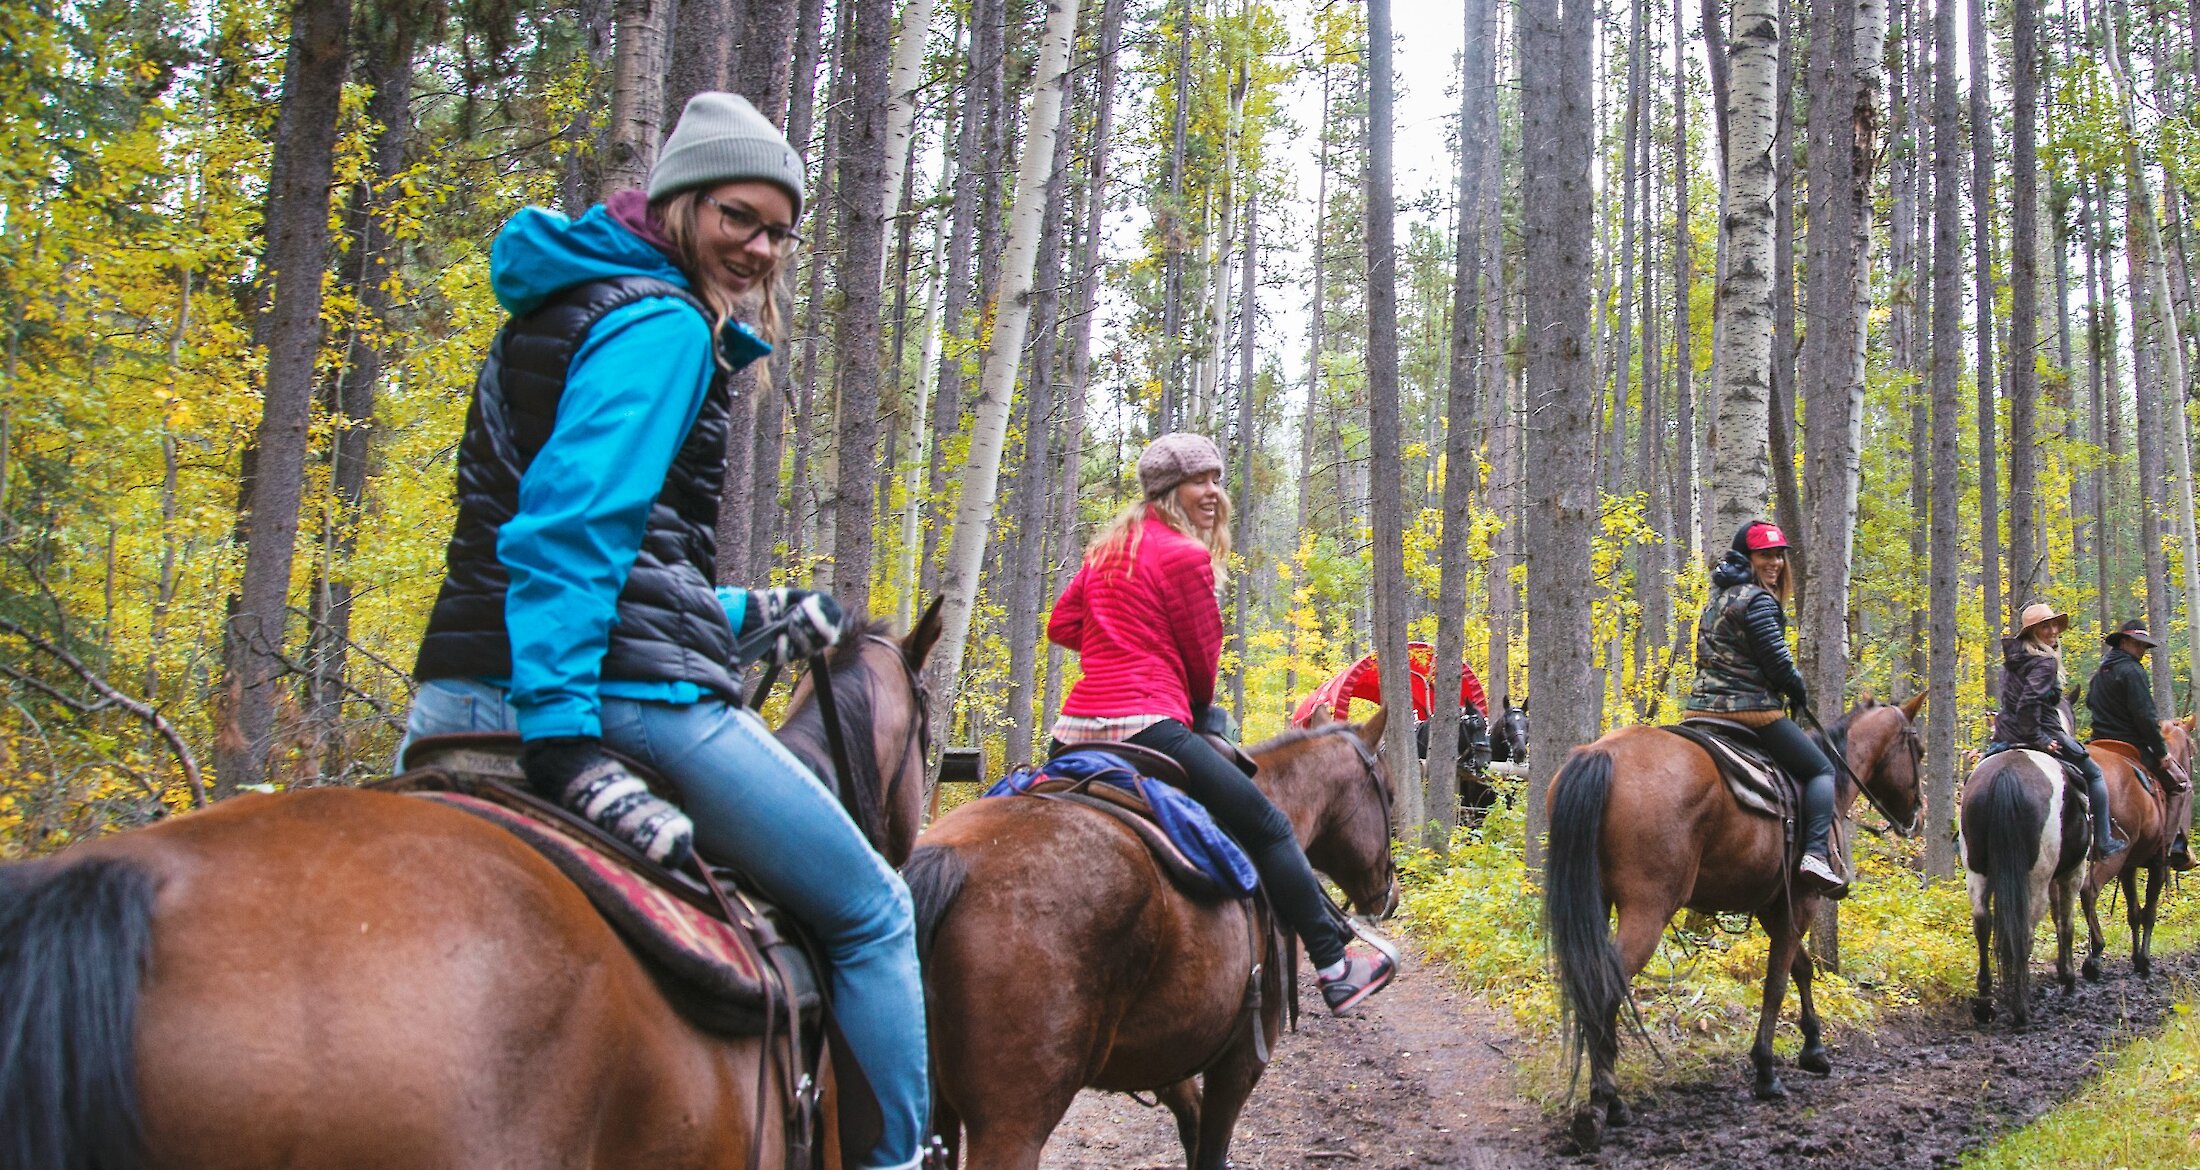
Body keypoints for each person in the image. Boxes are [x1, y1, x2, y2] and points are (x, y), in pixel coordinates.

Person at [397, 93, 930, 1170]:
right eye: (739, 215)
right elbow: (572, 530)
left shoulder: (565, 303)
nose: (760, 246)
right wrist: (560, 730)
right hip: (607, 703)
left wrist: (758, 613)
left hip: (460, 687)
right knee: (875, 912)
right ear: (682, 201)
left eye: (780, 230)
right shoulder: (662, 322)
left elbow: (611, 558)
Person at [1046, 432, 1397, 1016]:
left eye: (1216, 479)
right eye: (1198, 481)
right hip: (1150, 725)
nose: (1212, 492)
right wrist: (1167, 677)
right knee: (1267, 825)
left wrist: (1118, 640)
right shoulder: (1186, 556)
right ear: (1166, 491)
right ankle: (1335, 965)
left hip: (1073, 732)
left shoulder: (1109, 551)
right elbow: (1202, 663)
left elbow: (1062, 625)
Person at [1683, 521, 1847, 897]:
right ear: (1748, 556)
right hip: (1750, 711)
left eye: (1778, 555)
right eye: (1765, 555)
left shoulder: (1717, 599)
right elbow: (1777, 663)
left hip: (1700, 712)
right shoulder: (1757, 601)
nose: (1774, 562)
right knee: (1821, 768)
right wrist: (1797, 689)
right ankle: (1816, 856)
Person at [1995, 603, 2125, 861]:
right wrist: (2041, 740)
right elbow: (2028, 704)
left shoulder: (2012, 661)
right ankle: (2104, 840)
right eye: (2045, 626)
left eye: (2054, 625)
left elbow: (2013, 703)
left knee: (1976, 776)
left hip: (2005, 735)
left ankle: (1960, 838)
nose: (2053, 630)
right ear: (2032, 632)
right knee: (2095, 775)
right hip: (2039, 732)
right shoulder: (2044, 663)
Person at [2088, 618, 2190, 868]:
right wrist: (2161, 750)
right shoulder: (2132, 671)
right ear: (2124, 642)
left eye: (2145, 647)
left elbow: (2091, 703)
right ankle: (2170, 846)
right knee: (2181, 784)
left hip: (2098, 744)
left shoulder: (2100, 672)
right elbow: (2144, 716)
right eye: (2138, 645)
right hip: (2130, 746)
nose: (2142, 652)